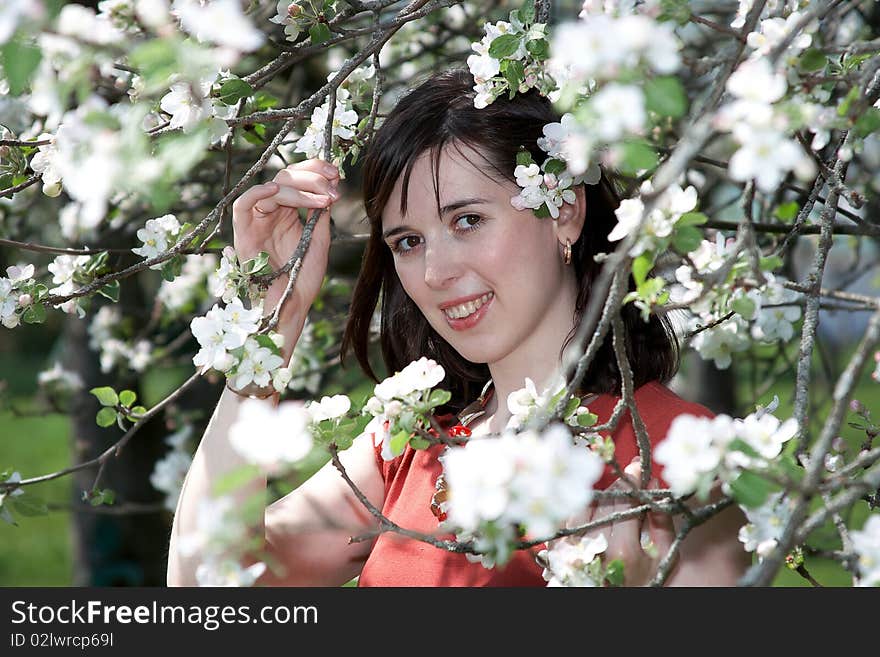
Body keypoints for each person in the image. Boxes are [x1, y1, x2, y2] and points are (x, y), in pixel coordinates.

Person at [167, 68, 751, 587]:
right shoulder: (414, 444)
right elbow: (208, 584)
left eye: (468, 221)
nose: (436, 272)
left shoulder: (686, 458)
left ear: (563, 209)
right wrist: (271, 327)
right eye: (408, 241)